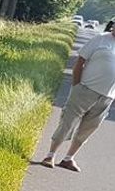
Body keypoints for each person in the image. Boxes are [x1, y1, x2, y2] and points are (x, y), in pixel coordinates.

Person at [41, 27, 115, 171]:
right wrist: (76, 85)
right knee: (68, 122)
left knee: (88, 128)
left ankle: (68, 159)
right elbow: (80, 61)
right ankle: (50, 155)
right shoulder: (100, 39)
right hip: (85, 90)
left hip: (107, 97)